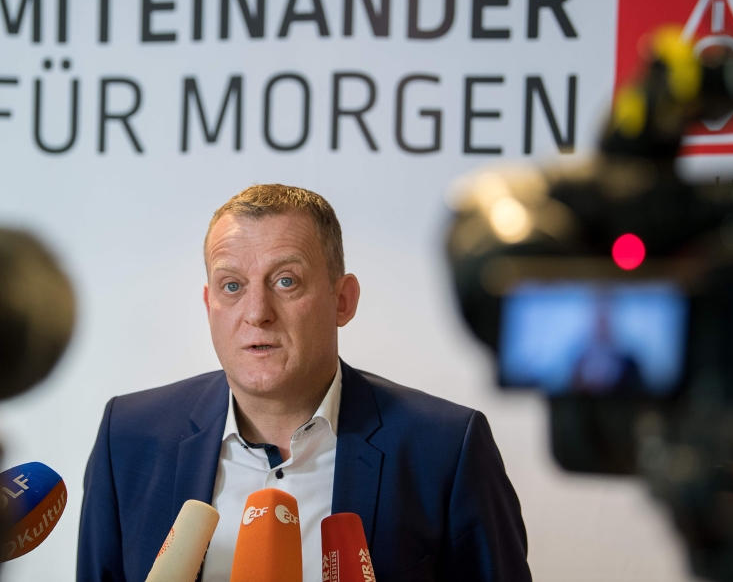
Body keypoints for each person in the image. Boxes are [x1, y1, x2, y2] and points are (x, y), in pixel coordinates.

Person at [77, 184, 530, 582]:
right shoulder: (129, 437)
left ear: (343, 300)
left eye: (285, 281)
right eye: (232, 286)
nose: (257, 313)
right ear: (208, 302)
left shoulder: (445, 448)